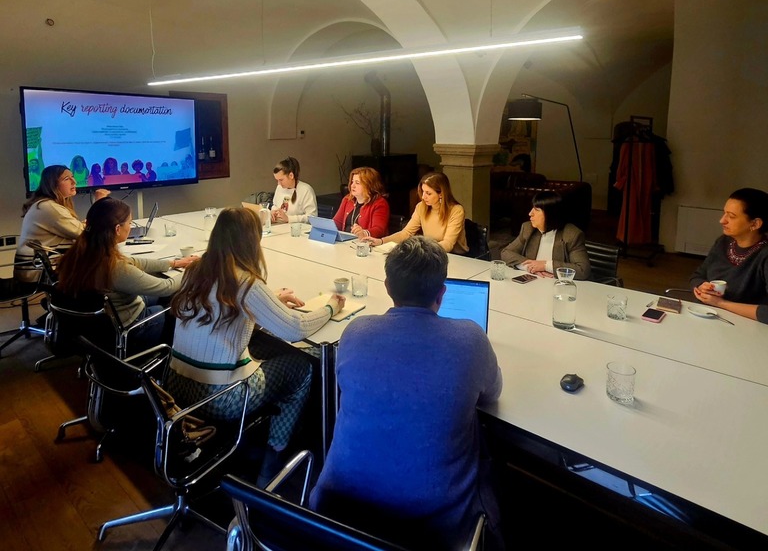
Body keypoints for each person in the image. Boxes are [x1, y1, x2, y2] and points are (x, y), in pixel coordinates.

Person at [310, 237, 503, 549]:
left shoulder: (354, 332)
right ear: (442, 293)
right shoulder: (471, 339)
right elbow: (492, 395)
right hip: (432, 531)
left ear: (388, 287)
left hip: (334, 519)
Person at [167, 206, 345, 484]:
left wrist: (269, 303)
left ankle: (258, 445)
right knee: (302, 366)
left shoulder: (195, 271)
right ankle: (273, 463)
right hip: (221, 398)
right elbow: (295, 329)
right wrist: (331, 307)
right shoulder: (246, 283)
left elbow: (225, 310)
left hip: (176, 385)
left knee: (269, 347)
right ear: (252, 241)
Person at [56, 198, 196, 348]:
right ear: (117, 229)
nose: (130, 227)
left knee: (158, 294)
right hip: (127, 329)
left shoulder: (82, 252)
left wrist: (173, 263)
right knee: (172, 302)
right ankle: (167, 351)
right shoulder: (115, 268)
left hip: (97, 326)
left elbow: (132, 262)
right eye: (129, 223)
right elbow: (166, 287)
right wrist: (193, 269)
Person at [14, 165, 109, 287]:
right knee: (104, 266)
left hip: (35, 269)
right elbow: (87, 233)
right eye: (67, 179)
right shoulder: (49, 207)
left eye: (73, 177)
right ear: (53, 185)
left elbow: (81, 228)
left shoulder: (45, 205)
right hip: (38, 273)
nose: (74, 181)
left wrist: (86, 225)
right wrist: (99, 203)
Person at [689, 187, 768, 323]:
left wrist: (721, 303)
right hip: (707, 316)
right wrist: (701, 286)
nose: (722, 220)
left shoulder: (764, 255)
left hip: (745, 326)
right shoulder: (723, 242)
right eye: (724, 213)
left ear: (755, 224)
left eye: (731, 216)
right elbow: (698, 275)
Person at [368, 172, 468, 254]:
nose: (423, 197)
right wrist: (381, 241)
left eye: (428, 193)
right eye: (423, 192)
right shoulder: (421, 207)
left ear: (441, 194)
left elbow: (448, 244)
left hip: (456, 256)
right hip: (430, 254)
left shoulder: (456, 210)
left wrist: (421, 250)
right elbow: (406, 233)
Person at [499, 192, 591, 279]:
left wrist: (545, 265)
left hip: (558, 285)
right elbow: (506, 252)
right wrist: (530, 267)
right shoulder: (528, 229)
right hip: (532, 282)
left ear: (551, 214)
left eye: (537, 210)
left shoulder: (571, 234)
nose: (530, 213)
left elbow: (583, 270)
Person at [332, 166, 390, 239]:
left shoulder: (380, 203)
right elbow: (337, 222)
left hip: (366, 243)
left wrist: (364, 233)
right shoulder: (347, 199)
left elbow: (379, 230)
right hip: (346, 241)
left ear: (369, 185)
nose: (352, 186)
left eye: (357, 183)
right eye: (352, 182)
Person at [270, 157, 317, 224]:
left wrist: (289, 219)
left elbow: (312, 217)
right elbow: (275, 205)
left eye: (281, 180)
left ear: (291, 175)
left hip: (298, 228)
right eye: (277, 180)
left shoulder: (306, 190)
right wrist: (273, 211)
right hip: (280, 225)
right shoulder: (279, 188)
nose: (278, 184)